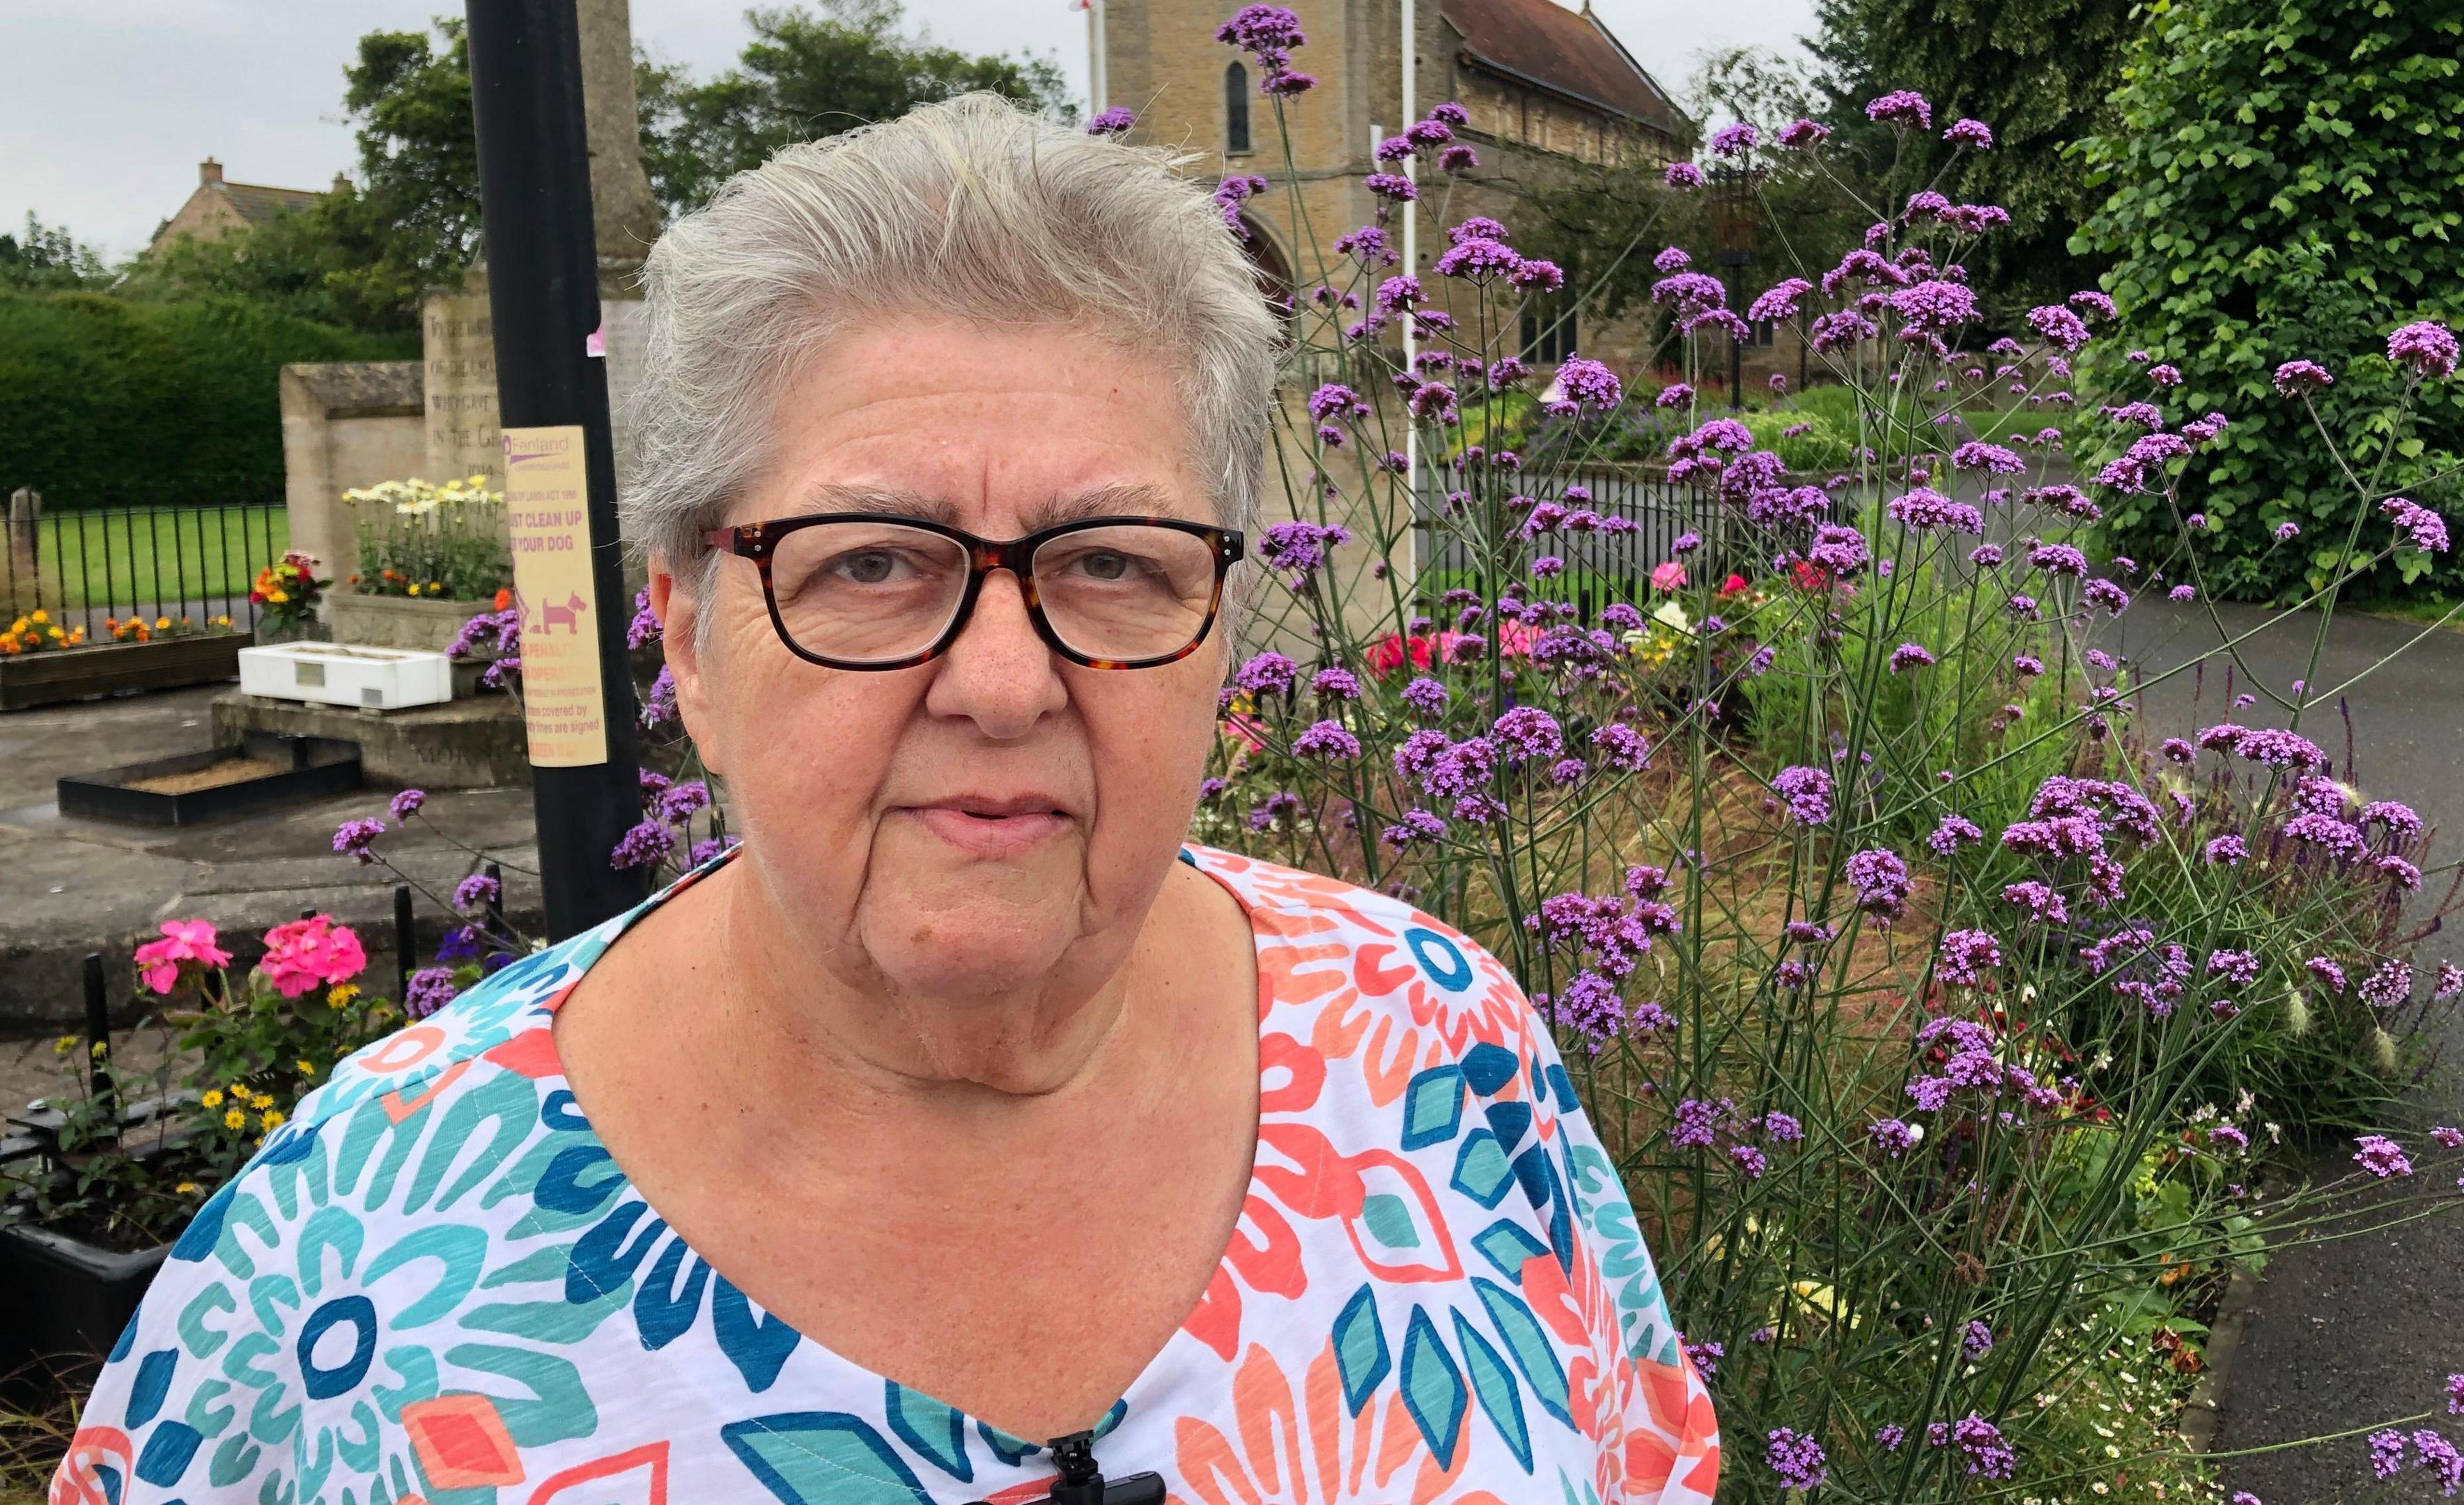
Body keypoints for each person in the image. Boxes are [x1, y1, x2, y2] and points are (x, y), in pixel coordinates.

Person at [58, 95, 1718, 1505]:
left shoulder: (1443, 1045)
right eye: (870, 561)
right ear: (687, 640)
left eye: (1114, 561)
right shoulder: (344, 1262)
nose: (1002, 681)